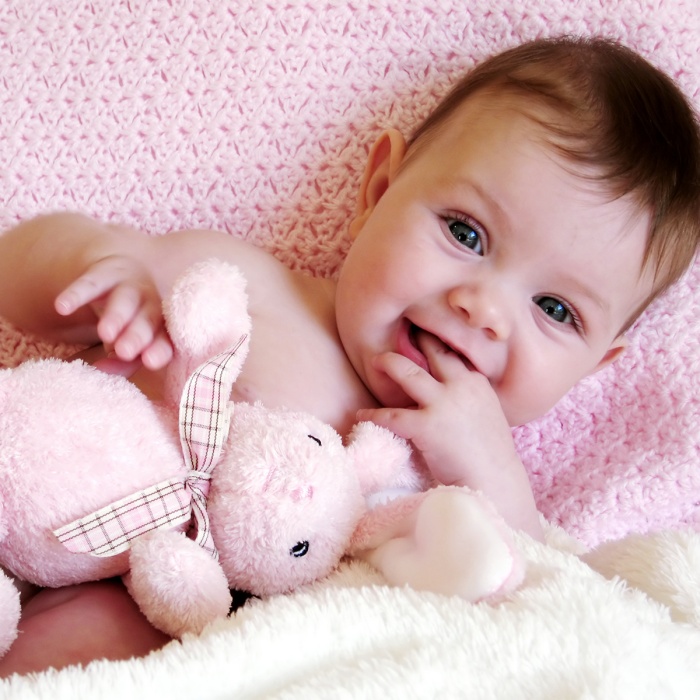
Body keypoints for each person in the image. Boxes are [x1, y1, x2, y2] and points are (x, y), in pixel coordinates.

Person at [0, 35, 698, 676]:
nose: (481, 309)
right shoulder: (249, 292)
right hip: (51, 528)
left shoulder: (461, 477)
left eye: (554, 310)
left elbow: (529, 593)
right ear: (378, 194)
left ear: (594, 367)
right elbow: (13, 272)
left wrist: (490, 469)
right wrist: (99, 270)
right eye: (466, 233)